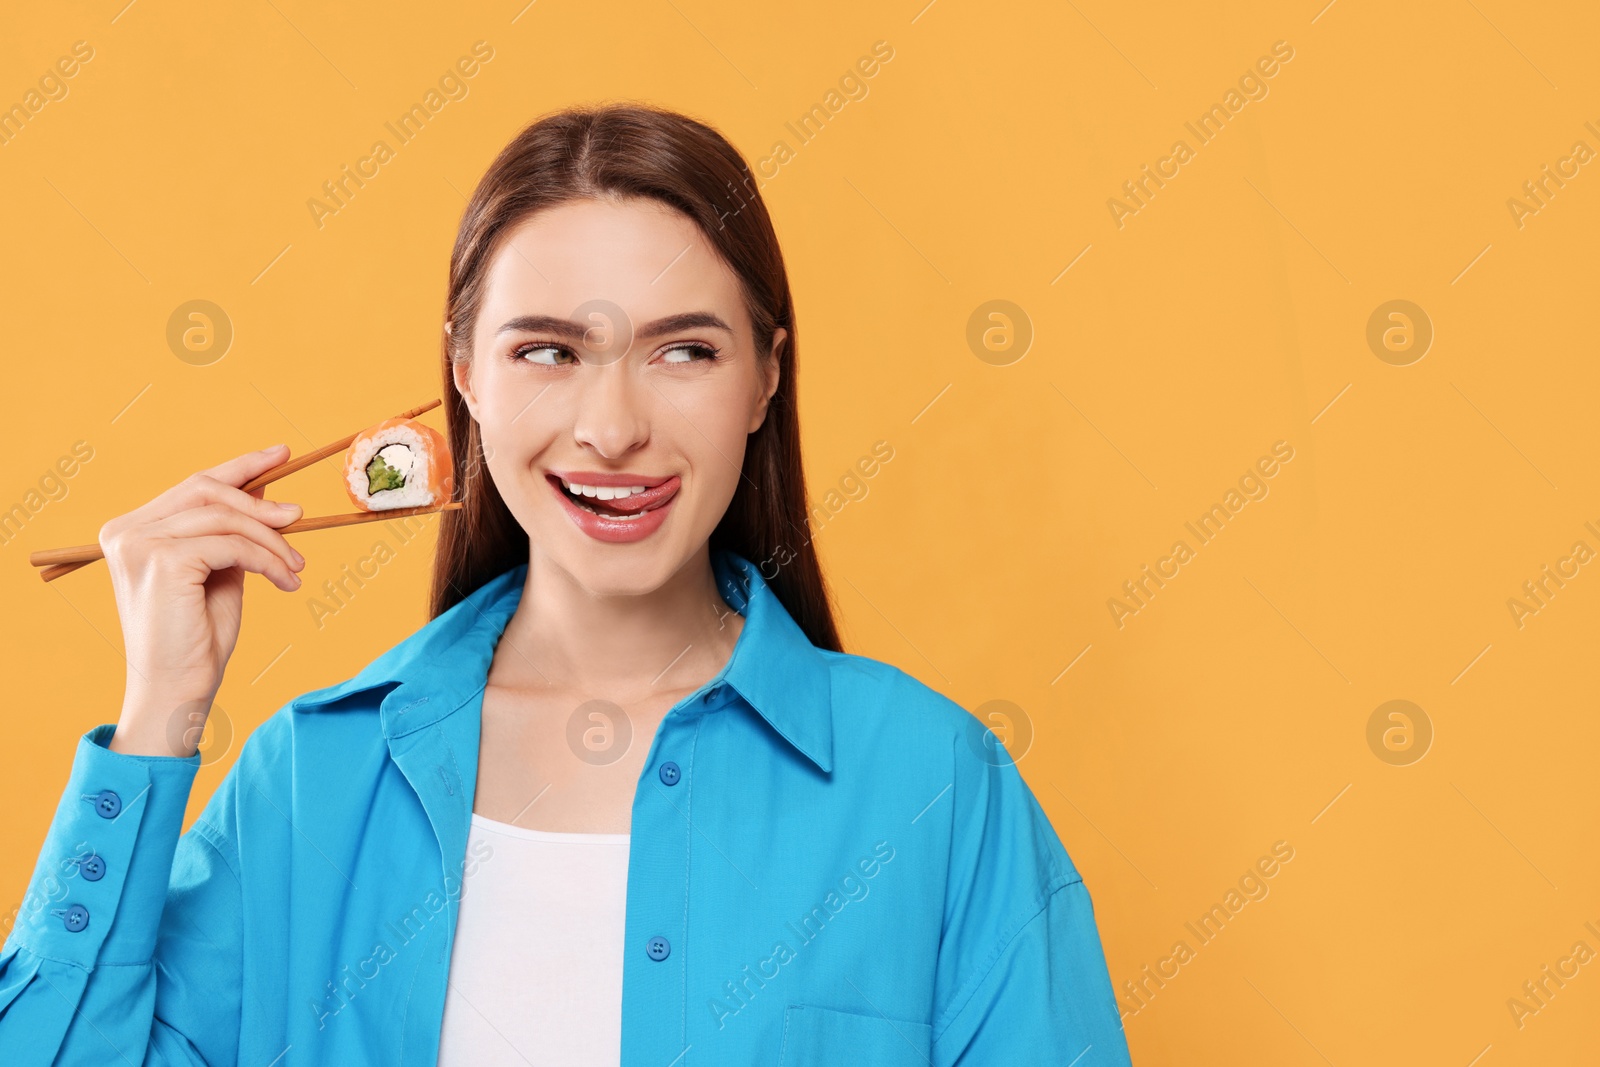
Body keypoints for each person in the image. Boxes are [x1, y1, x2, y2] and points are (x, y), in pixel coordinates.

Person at [0, 102, 1132, 1066]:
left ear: (764, 380)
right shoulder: (311, 782)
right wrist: (158, 721)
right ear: (466, 377)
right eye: (546, 350)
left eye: (683, 349)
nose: (612, 427)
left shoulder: (934, 786)